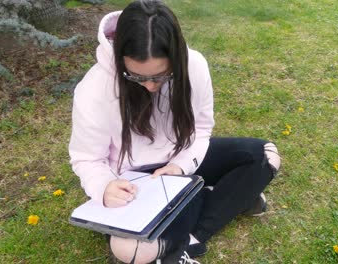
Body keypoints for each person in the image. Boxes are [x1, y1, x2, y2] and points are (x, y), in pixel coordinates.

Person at [68, 1, 280, 263]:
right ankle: (218, 200)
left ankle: (187, 236)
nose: (150, 86)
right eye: (135, 76)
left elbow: (202, 129)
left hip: (182, 162)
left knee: (264, 155)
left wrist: (180, 166)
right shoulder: (93, 90)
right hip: (135, 183)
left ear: (176, 59)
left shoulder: (195, 66)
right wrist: (104, 187)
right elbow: (86, 158)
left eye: (161, 76)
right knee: (129, 250)